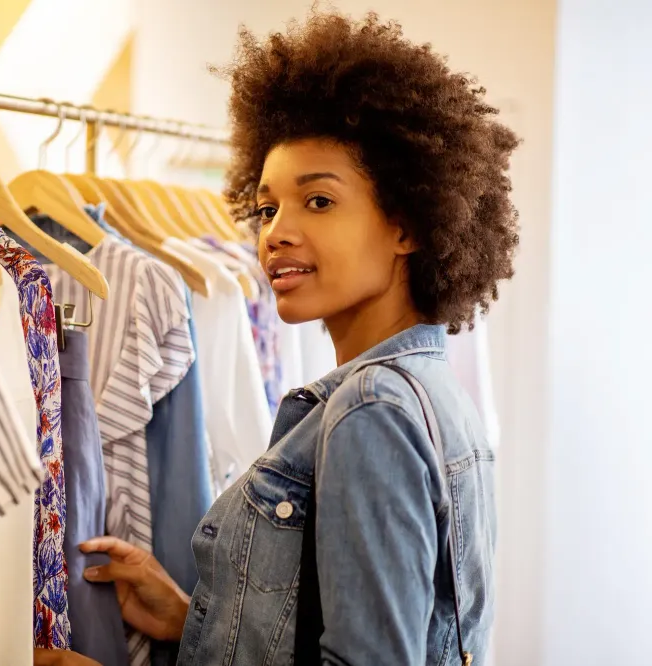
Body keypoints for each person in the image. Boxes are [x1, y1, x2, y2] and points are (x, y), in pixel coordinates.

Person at [36, 9, 518, 665]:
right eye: (267, 207)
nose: (275, 233)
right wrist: (191, 619)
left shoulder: (370, 412)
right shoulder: (432, 391)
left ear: (408, 224)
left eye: (317, 201)